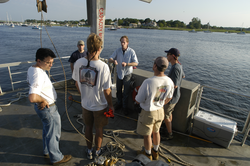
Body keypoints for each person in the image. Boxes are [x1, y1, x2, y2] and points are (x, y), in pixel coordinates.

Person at [72, 33, 114, 160]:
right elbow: (107, 91)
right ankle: (97, 151)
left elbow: (76, 83)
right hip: (100, 106)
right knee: (99, 128)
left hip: (85, 104)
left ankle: (89, 150)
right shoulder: (103, 67)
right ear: (99, 48)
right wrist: (111, 105)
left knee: (88, 127)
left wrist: (83, 95)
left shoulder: (78, 62)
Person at [27, 48, 72, 165]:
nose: (51, 65)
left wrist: (40, 100)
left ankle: (47, 151)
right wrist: (42, 100)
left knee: (47, 130)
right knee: (53, 133)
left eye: (52, 62)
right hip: (48, 109)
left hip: (43, 108)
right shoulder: (38, 75)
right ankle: (56, 157)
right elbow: (32, 97)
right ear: (39, 61)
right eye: (48, 62)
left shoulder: (32, 69)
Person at [135, 57, 174, 160]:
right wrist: (160, 103)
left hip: (148, 113)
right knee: (156, 132)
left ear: (155, 66)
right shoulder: (169, 81)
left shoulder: (148, 82)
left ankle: (147, 154)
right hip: (160, 111)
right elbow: (169, 97)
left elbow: (138, 100)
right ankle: (155, 152)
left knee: (147, 135)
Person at [108, 36, 138, 115]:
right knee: (118, 90)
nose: (122, 44)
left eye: (124, 42)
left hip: (127, 74)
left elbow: (136, 63)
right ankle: (119, 104)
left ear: (127, 43)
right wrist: (113, 61)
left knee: (126, 92)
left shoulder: (131, 51)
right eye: (121, 42)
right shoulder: (117, 51)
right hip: (119, 73)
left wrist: (127, 64)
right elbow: (109, 59)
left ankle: (124, 107)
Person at [163, 48, 185, 140]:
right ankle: (169, 127)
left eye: (168, 54)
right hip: (176, 96)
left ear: (172, 56)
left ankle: (170, 134)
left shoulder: (175, 68)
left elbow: (175, 85)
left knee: (166, 115)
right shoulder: (178, 65)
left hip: (172, 97)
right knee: (169, 113)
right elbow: (183, 75)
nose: (166, 56)